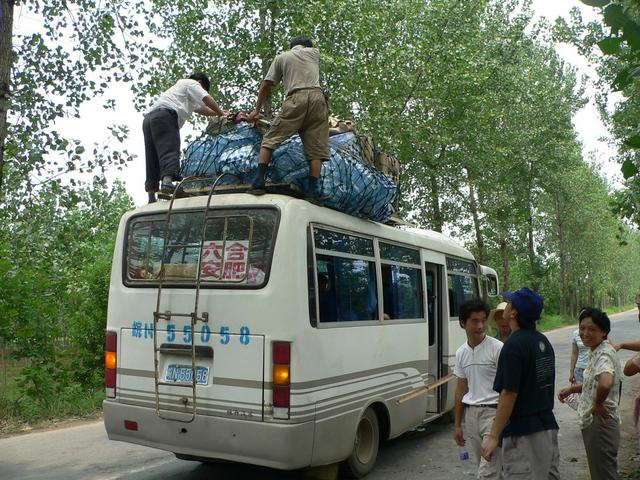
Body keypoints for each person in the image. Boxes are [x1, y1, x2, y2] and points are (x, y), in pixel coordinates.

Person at [481, 287, 560, 480]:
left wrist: (493, 437)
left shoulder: (513, 346)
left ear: (514, 312)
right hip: (547, 428)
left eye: (508, 303)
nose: (505, 306)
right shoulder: (542, 341)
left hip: (524, 434)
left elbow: (508, 394)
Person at [246, 36, 329, 201]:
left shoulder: (282, 57)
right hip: (318, 99)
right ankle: (311, 193)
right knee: (316, 150)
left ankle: (258, 182)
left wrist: (257, 110)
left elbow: (266, 85)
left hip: (296, 97)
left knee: (270, 139)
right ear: (307, 46)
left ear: (292, 47)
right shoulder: (314, 53)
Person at [143, 73, 230, 203]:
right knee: (170, 148)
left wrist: (221, 112)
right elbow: (206, 99)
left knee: (152, 155)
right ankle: (167, 182)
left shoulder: (181, 92)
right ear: (200, 82)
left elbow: (202, 109)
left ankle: (151, 195)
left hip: (149, 119)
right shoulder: (191, 83)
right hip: (165, 116)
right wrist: (221, 113)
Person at [558, 308, 622, 480]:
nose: (585, 333)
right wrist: (573, 389)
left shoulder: (604, 354)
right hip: (598, 422)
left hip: (600, 423)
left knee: (604, 474)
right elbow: (594, 382)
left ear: (603, 332)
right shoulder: (597, 349)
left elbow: (606, 381)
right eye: (582, 328)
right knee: (602, 471)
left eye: (592, 329)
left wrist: (598, 403)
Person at [453, 299, 503, 478]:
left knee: (487, 471)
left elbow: (508, 389)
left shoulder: (497, 349)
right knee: (488, 467)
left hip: (494, 414)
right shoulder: (461, 353)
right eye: (475, 321)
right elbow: (461, 389)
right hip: (471, 416)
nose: (480, 326)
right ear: (462, 323)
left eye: (483, 320)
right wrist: (458, 424)